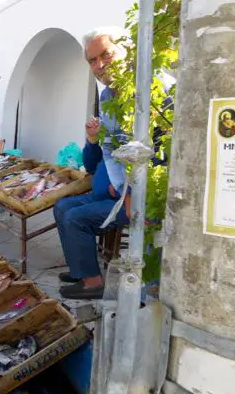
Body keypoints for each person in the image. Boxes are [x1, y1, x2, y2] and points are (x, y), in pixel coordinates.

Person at [53, 27, 133, 300]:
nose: (99, 65)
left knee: (76, 218)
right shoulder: (108, 97)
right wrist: (91, 140)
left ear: (123, 51)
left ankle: (93, 283)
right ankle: (81, 270)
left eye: (106, 55)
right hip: (106, 192)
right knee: (62, 206)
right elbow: (91, 164)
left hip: (129, 199)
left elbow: (161, 150)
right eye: (92, 61)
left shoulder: (145, 94)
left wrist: (131, 192)